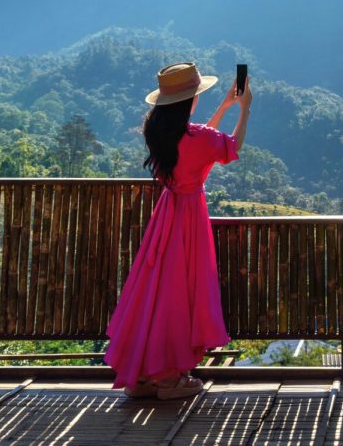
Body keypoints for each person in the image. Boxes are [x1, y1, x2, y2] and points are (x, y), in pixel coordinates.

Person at [104, 61, 252, 399]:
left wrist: (225, 106)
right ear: (190, 101)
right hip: (189, 219)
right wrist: (245, 108)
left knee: (155, 290)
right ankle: (169, 378)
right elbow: (230, 146)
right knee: (179, 292)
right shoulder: (196, 137)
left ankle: (142, 374)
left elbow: (200, 142)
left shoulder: (160, 133)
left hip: (165, 217)